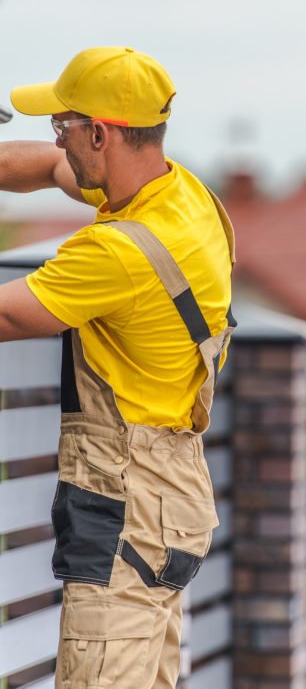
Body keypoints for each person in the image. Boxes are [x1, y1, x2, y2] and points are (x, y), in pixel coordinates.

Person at [0, 46, 236, 688]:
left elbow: (8, 316)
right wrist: (48, 156)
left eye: (62, 124)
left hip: (123, 499)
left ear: (99, 134)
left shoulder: (118, 253)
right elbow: (53, 169)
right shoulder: (181, 197)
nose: (57, 139)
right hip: (168, 497)